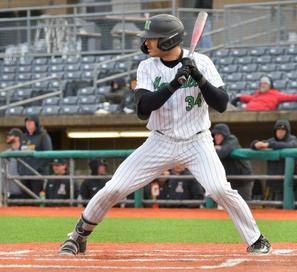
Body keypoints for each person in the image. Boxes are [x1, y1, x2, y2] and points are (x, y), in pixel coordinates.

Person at [59, 14, 271, 256]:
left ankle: (256, 239)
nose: (147, 43)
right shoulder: (147, 66)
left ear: (169, 41)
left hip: (197, 141)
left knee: (219, 189)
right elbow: (142, 109)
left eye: (152, 39)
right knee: (114, 188)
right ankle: (78, 236)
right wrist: (173, 84)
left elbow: (221, 104)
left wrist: (198, 77)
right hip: (160, 141)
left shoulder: (202, 62)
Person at [251, 119, 297, 201]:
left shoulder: (293, 140)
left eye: (283, 130)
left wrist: (269, 145)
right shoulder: (271, 140)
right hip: (276, 183)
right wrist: (255, 144)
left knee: (295, 209)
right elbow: (255, 145)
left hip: (293, 183)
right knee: (277, 210)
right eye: (278, 130)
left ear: (287, 131)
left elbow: (291, 145)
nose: (280, 132)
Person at [212, 123, 253, 200]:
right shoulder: (216, 144)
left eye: (219, 134)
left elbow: (222, 153)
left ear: (224, 135)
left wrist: (218, 148)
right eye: (215, 135)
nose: (216, 137)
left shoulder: (232, 139)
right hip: (230, 181)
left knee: (244, 205)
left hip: (243, 181)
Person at [18, 115, 53, 197]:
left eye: (30, 122)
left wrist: (38, 168)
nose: (28, 124)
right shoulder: (23, 137)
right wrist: (20, 170)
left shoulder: (44, 136)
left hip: (38, 175)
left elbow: (49, 155)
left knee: (37, 199)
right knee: (25, 200)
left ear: (36, 123)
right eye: (26, 122)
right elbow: (19, 154)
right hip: (24, 174)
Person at [231, 76, 297, 111]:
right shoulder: (257, 94)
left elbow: (290, 97)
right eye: (261, 83)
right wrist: (238, 98)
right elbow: (248, 98)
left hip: (261, 114)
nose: (262, 85)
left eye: (265, 83)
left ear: (270, 86)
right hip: (247, 113)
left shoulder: (276, 94)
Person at [3, 128, 25, 199]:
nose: (8, 137)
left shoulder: (25, 152)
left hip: (25, 191)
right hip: (9, 193)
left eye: (10, 135)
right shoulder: (5, 154)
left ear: (17, 138)